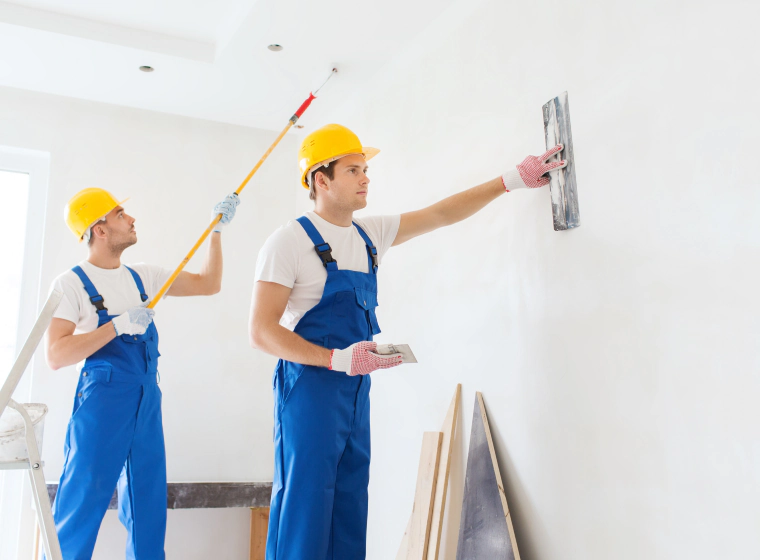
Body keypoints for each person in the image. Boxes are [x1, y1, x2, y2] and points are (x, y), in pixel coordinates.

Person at [249, 123, 565, 559]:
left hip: (356, 390)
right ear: (320, 180)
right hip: (309, 390)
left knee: (349, 504)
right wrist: (337, 359)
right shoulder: (289, 242)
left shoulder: (367, 234)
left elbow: (440, 213)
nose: (366, 178)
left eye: (365, 170)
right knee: (305, 508)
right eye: (354, 170)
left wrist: (511, 179)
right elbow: (262, 332)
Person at [45, 187, 240, 559]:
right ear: (99, 229)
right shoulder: (71, 284)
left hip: (146, 400)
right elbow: (56, 355)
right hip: (102, 403)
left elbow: (208, 283)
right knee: (81, 503)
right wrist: (115, 327)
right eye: (120, 214)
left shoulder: (144, 278)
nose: (131, 219)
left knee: (148, 506)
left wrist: (216, 231)